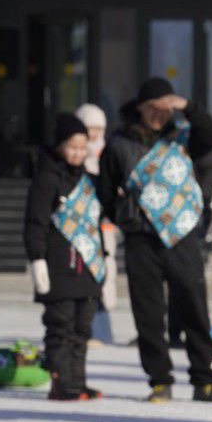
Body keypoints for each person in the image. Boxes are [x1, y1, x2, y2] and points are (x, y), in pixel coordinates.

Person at [98, 77, 212, 403]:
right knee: (148, 311)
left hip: (182, 234)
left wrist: (187, 106)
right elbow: (105, 189)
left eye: (164, 108)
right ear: (139, 108)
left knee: (194, 306)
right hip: (141, 237)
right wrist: (125, 218)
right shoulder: (119, 143)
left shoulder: (183, 136)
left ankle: (204, 380)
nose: (158, 114)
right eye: (152, 108)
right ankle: (159, 380)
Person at [23, 114, 105, 400]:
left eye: (83, 147)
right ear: (59, 146)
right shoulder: (46, 179)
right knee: (61, 326)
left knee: (83, 327)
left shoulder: (90, 181)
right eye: (72, 147)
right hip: (58, 266)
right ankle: (61, 382)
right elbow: (35, 223)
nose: (78, 153)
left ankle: (78, 380)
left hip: (88, 266)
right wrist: (37, 260)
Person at [76, 102, 118, 345]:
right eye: (89, 128)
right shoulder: (76, 157)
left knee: (104, 278)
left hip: (104, 230)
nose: (93, 134)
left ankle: (103, 332)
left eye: (97, 128)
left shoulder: (109, 155)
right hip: (80, 228)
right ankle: (88, 330)